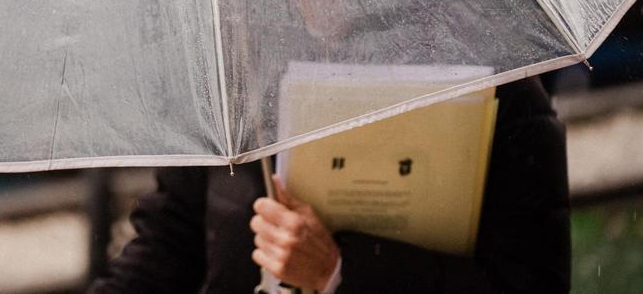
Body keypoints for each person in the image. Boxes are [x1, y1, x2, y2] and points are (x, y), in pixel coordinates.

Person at [87, 76, 570, 293]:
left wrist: (339, 271)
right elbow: (170, 244)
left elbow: (531, 284)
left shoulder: (499, 91)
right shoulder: (231, 80)